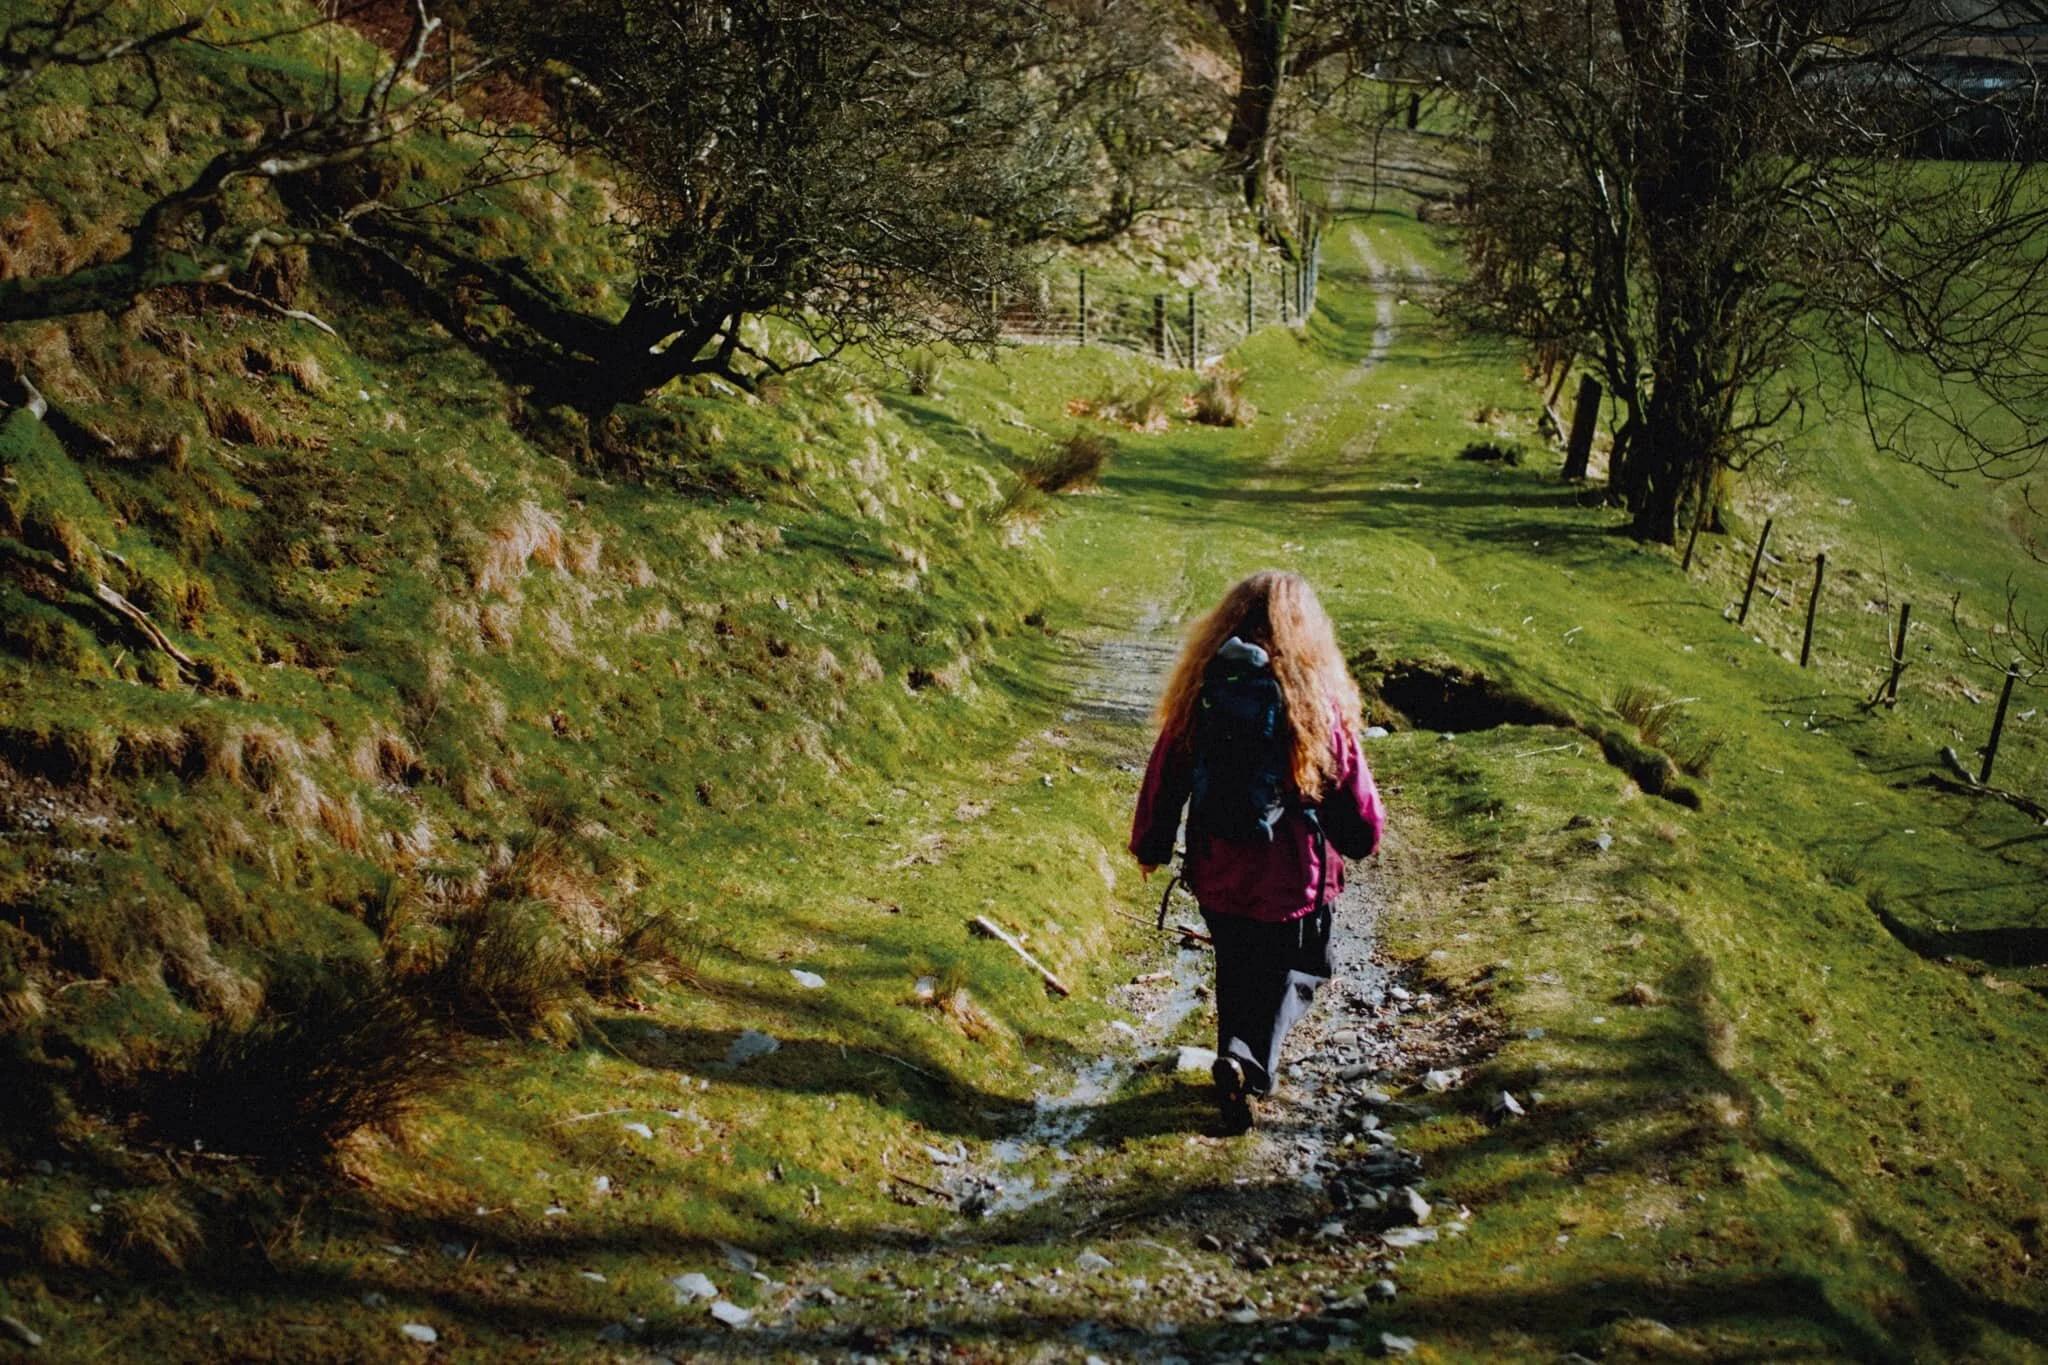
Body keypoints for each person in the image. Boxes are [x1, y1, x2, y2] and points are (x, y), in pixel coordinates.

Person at [1129, 570, 1384, 1127]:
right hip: (1293, 875)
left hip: (1218, 866)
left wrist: (1151, 844)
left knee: (1238, 967)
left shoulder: (1203, 691)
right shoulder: (1312, 697)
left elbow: (1166, 772)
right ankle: (1249, 1063)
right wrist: (1361, 836)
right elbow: (1352, 794)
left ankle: (1234, 1055)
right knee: (1304, 968)